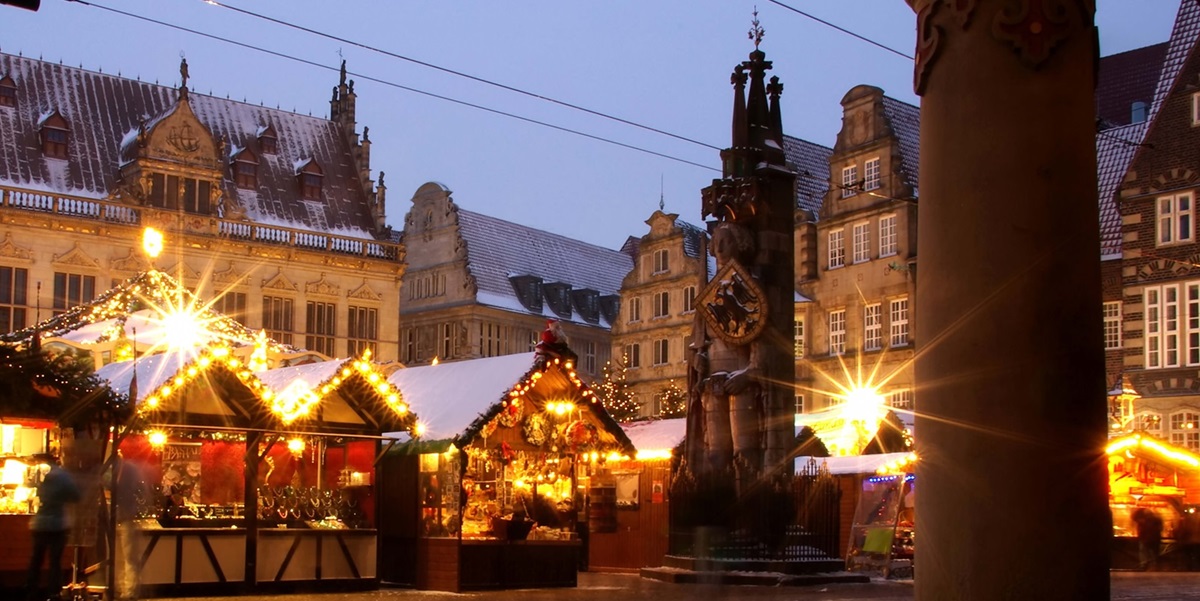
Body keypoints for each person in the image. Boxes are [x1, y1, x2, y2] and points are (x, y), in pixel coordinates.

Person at [25, 453, 81, 601]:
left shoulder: (41, 474)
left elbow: (34, 490)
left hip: (39, 523)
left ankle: (31, 590)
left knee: (36, 559)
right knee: (55, 560)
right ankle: (53, 593)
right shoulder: (64, 476)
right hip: (58, 524)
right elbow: (76, 496)